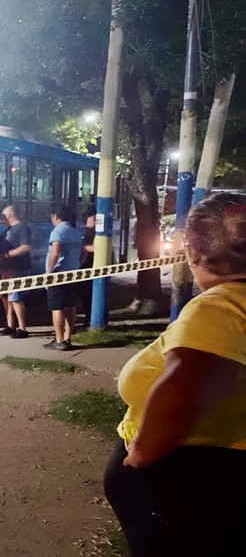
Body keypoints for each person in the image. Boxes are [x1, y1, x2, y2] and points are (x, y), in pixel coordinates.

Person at [103, 192, 246, 556]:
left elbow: (185, 389)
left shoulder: (219, 307)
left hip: (181, 480)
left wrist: (139, 457)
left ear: (193, 254)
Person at [44, 205, 85, 351]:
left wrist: (49, 272)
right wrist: (77, 264)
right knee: (70, 306)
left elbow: (55, 253)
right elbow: (83, 252)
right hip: (72, 273)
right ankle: (68, 338)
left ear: (56, 216)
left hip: (58, 274)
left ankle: (59, 339)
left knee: (57, 307)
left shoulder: (58, 232)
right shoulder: (75, 232)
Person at [0, 205, 32, 338]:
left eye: (3, 216)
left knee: (15, 298)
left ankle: (23, 328)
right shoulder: (7, 230)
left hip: (18, 268)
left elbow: (25, 247)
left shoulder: (22, 228)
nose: (1, 219)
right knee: (6, 297)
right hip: (6, 269)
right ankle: (10, 325)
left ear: (9, 215)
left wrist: (7, 255)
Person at [79, 209, 97, 320]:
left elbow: (95, 248)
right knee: (85, 295)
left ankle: (90, 318)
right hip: (86, 266)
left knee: (87, 294)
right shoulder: (87, 231)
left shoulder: (94, 232)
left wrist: (81, 249)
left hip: (89, 266)